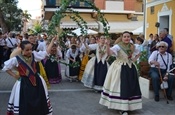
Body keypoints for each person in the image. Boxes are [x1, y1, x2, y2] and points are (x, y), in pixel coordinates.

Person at [2, 37, 57, 115]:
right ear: (21, 50)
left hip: (37, 82)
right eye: (27, 50)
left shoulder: (34, 55)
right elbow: (6, 68)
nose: (30, 51)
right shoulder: (16, 59)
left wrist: (52, 42)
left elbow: (46, 53)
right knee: (25, 100)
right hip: (24, 83)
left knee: (38, 99)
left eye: (31, 49)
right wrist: (14, 75)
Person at [99, 31, 142, 115]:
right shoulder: (118, 46)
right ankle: (122, 108)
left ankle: (129, 105)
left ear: (130, 38)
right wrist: (107, 45)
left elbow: (139, 53)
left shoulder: (133, 46)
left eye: (128, 37)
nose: (126, 38)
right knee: (122, 87)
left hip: (130, 68)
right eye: (125, 36)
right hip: (120, 68)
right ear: (122, 38)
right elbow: (110, 53)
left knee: (130, 86)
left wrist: (133, 60)